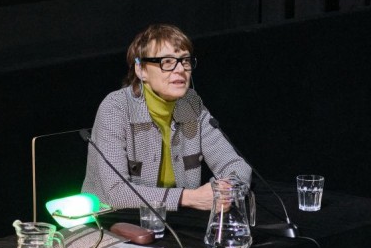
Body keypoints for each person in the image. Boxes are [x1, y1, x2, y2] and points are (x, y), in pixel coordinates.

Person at [82, 23, 252, 211]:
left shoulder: (191, 104)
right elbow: (115, 193)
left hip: (173, 223)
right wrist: (188, 198)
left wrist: (224, 191)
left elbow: (236, 165)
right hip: (112, 223)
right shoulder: (116, 108)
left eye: (185, 61)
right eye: (167, 62)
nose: (180, 69)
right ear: (141, 70)